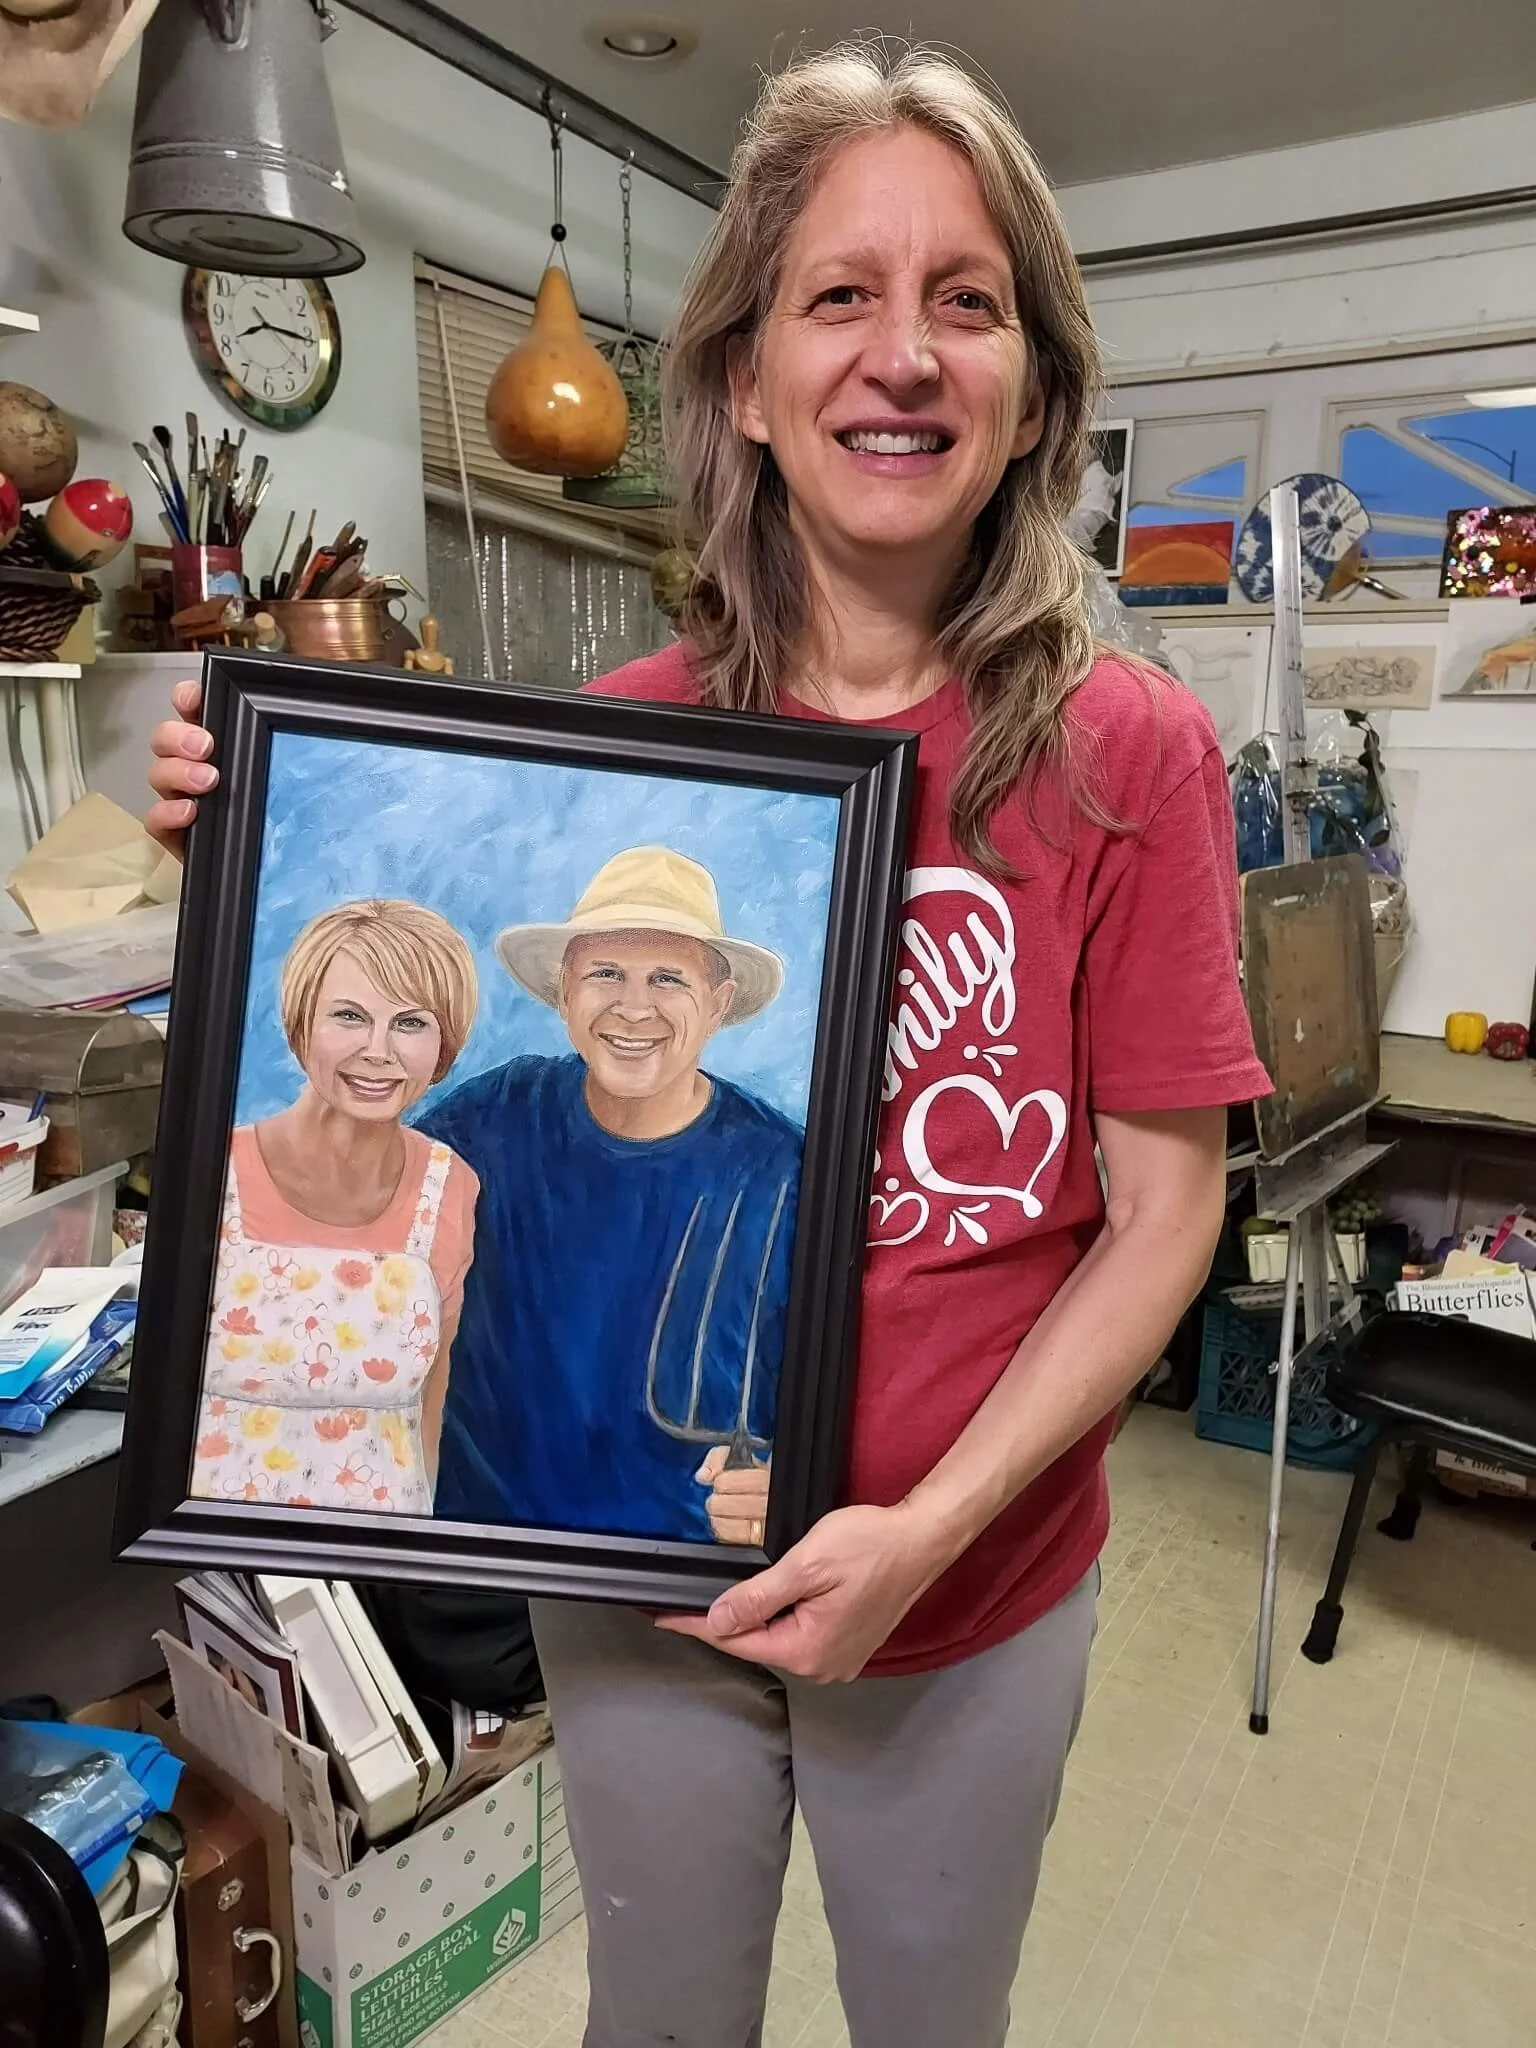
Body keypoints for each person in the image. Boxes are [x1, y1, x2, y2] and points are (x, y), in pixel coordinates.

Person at [149, 42, 1271, 2048]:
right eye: (840, 295)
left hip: (972, 1587)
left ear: (1031, 388)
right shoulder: (630, 731)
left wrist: (927, 1533)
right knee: (658, 2022)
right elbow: (398, 1101)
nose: (904, 356)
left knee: (932, 2019)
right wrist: (263, 843)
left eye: (969, 300)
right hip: (635, 1570)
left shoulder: (1129, 753)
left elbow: (1167, 1210)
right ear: (746, 378)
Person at [417, 844, 802, 1547]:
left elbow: (834, 1407)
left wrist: (798, 1487)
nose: (633, 1007)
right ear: (565, 995)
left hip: (670, 1588)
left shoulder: (786, 1173)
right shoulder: (494, 1115)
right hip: (467, 1563)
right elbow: (360, 1224)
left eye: (666, 978)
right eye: (605, 974)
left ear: (718, 1006)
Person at [192, 899, 480, 1516]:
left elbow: (432, 1400)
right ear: (301, 1026)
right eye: (349, 1017)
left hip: (383, 1558)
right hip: (213, 1551)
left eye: (410, 1023)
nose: (378, 1050)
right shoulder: (215, 1173)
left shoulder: (450, 1185)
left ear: (444, 1043)